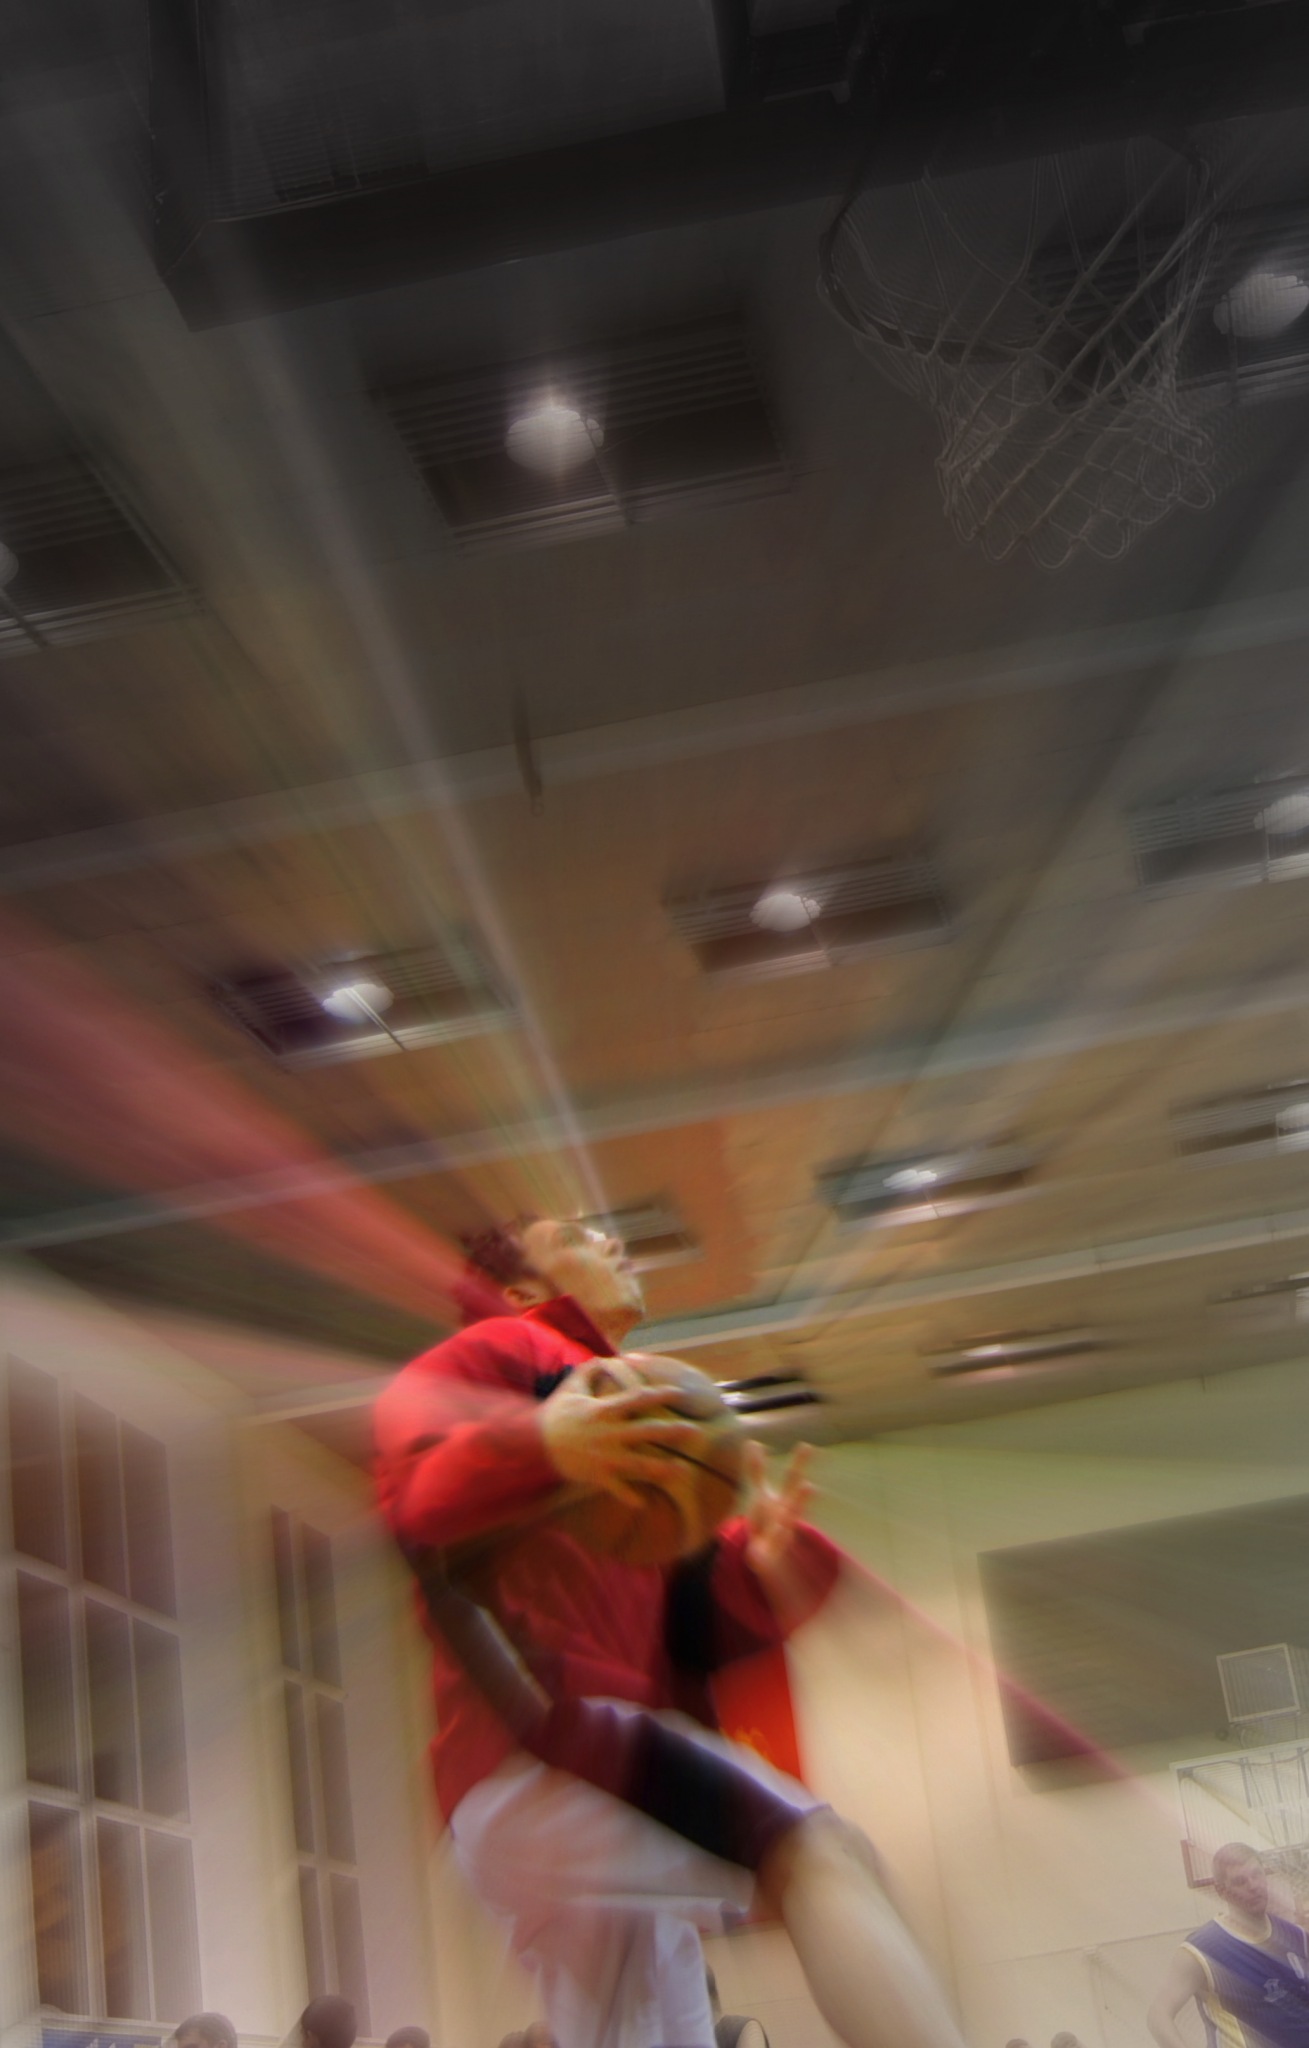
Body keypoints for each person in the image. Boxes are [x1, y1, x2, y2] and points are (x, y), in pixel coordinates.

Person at [375, 1214, 968, 2048]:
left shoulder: (634, 1424)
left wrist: (752, 1571)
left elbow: (690, 1639)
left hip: (563, 1790)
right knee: (819, 1853)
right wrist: (541, 1442)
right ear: (517, 1290)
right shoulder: (502, 1351)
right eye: (576, 1237)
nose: (611, 1242)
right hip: (547, 1755)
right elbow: (413, 1497)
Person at [1148, 1842, 1309, 2048]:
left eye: (1257, 1875)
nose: (1253, 1886)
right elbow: (1158, 2015)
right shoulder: (1203, 1950)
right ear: (1221, 1890)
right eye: (1240, 1881)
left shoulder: (1296, 1936)